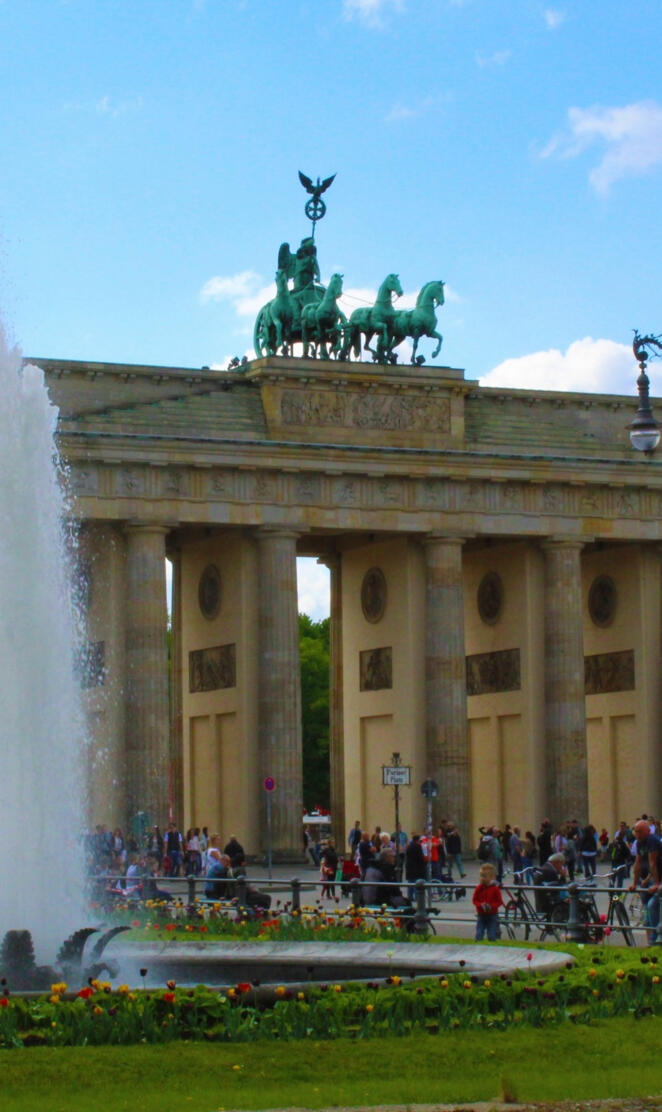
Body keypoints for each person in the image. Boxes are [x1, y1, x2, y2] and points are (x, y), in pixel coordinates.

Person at [629, 818, 662, 944]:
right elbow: (637, 863)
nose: (637, 834)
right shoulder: (639, 842)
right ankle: (650, 943)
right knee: (647, 912)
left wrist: (657, 884)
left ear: (648, 831)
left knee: (652, 906)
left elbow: (653, 863)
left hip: (658, 879)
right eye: (636, 832)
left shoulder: (652, 840)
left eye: (640, 832)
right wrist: (634, 884)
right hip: (648, 880)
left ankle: (655, 940)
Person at [472, 863, 503, 941]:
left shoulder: (495, 889)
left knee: (491, 934)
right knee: (479, 933)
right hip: (481, 913)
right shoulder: (479, 888)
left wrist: (491, 906)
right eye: (481, 876)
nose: (482, 878)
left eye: (484, 876)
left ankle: (492, 943)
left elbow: (499, 901)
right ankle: (478, 943)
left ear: (492, 877)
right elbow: (474, 900)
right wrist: (480, 905)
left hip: (492, 914)